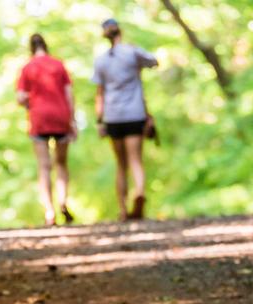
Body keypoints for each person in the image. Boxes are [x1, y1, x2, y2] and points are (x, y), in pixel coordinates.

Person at [91, 18, 158, 221]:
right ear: (120, 31)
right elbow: (154, 61)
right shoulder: (132, 53)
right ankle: (139, 192)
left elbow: (99, 94)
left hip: (113, 117)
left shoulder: (101, 60)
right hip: (134, 114)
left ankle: (122, 209)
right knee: (136, 160)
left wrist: (99, 121)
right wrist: (135, 53)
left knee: (121, 165)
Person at [17, 33, 77, 227]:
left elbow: (20, 97)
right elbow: (69, 95)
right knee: (61, 164)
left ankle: (49, 212)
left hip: (39, 119)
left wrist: (29, 100)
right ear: (45, 45)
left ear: (31, 48)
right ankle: (63, 202)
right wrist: (73, 121)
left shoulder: (27, 68)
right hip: (61, 117)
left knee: (44, 166)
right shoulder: (59, 65)